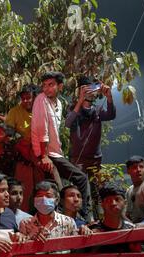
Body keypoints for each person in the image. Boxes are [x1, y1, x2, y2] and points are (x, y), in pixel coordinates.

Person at [31, 71, 89, 218]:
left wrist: (81, 100)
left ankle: (71, 219)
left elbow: (56, 130)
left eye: (51, 85)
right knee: (78, 179)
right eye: (44, 85)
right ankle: (85, 216)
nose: (46, 89)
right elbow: (41, 129)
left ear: (60, 86)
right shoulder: (41, 99)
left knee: (58, 189)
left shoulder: (59, 104)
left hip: (56, 153)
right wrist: (44, 156)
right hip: (47, 154)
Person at [66, 76, 115, 219]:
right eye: (85, 89)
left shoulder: (97, 110)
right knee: (80, 191)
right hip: (78, 159)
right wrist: (80, 101)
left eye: (92, 89)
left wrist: (109, 97)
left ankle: (99, 220)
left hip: (95, 159)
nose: (89, 92)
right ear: (79, 91)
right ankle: (82, 221)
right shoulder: (73, 109)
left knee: (97, 192)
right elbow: (68, 123)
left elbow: (111, 115)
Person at [19, 181, 79, 257]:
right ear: (34, 200)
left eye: (48, 196)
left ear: (56, 200)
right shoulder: (26, 224)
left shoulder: (68, 222)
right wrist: (29, 240)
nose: (43, 199)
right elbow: (21, 255)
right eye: (39, 196)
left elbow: (77, 251)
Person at [87, 183, 141, 257]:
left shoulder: (131, 230)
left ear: (125, 203)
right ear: (102, 204)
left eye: (117, 199)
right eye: (108, 200)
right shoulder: (91, 230)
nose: (113, 203)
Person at [5, 84, 42, 211]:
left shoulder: (42, 110)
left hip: (41, 153)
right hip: (23, 155)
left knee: (42, 186)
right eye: (23, 98)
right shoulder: (14, 112)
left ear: (35, 97)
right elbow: (8, 132)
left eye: (28, 98)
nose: (25, 101)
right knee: (24, 187)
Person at [125, 155, 144, 223]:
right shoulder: (129, 190)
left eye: (141, 167)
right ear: (128, 171)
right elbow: (127, 214)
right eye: (134, 167)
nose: (139, 170)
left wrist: (138, 227)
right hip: (135, 227)